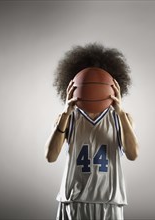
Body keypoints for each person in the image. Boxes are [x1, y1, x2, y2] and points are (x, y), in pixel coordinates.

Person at [45, 43, 138, 220]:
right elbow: (50, 157)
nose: (93, 89)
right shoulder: (67, 118)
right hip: (73, 200)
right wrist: (66, 112)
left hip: (109, 202)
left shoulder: (121, 118)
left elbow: (133, 154)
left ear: (114, 86)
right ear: (73, 85)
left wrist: (119, 111)